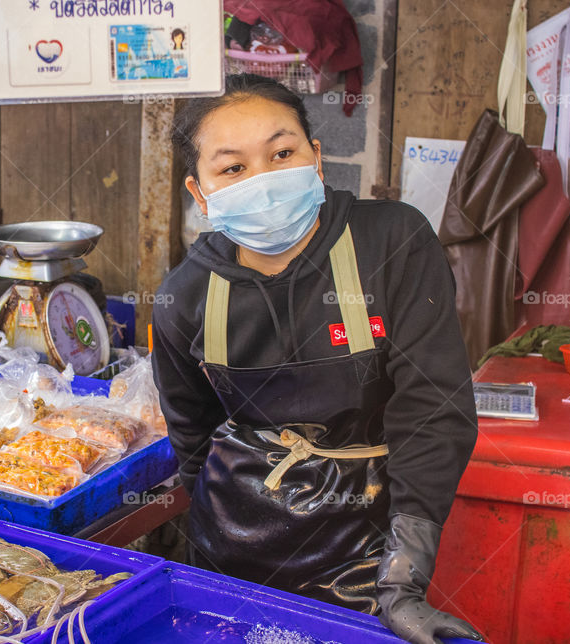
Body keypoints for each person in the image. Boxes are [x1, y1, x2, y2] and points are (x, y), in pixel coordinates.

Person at [151, 73, 482, 644]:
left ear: (317, 158)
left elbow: (434, 410)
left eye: (282, 153)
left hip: (367, 537)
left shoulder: (394, 242)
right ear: (200, 192)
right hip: (232, 542)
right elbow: (193, 441)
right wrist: (215, 529)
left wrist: (402, 580)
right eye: (233, 168)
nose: (265, 179)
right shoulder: (183, 296)